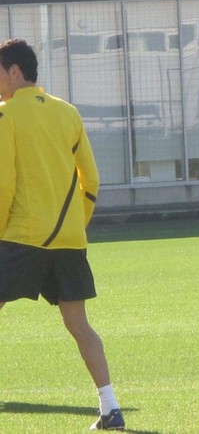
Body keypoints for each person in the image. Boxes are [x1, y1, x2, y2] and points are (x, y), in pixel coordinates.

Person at [0, 39, 126, 429]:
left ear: (15, 72)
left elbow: (4, 182)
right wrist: (75, 224)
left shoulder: (6, 116)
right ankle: (110, 407)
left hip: (22, 235)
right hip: (70, 239)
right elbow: (92, 180)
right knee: (79, 324)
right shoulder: (68, 113)